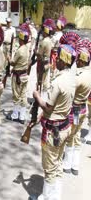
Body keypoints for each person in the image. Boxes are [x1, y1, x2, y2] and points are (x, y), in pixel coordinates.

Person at [33, 38, 76, 200]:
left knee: (49, 167)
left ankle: (46, 197)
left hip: (54, 131)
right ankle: (55, 196)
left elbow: (48, 107)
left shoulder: (58, 82)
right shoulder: (72, 78)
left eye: (58, 58)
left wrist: (37, 96)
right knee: (57, 163)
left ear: (64, 62)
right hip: (65, 126)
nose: (55, 60)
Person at [63, 39, 91, 176]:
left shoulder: (79, 77)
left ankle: (67, 164)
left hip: (75, 109)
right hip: (83, 108)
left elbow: (69, 91)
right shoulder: (89, 73)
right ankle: (75, 165)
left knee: (70, 136)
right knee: (78, 135)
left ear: (81, 60)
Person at [6, 23, 31, 124]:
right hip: (24, 75)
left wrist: (8, 58)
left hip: (18, 77)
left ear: (21, 39)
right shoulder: (27, 49)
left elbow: (13, 62)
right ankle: (22, 116)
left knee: (16, 96)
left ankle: (15, 115)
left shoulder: (20, 50)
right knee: (23, 95)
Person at [36, 18, 56, 97]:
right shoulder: (50, 40)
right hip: (47, 63)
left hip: (41, 64)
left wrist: (35, 52)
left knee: (40, 82)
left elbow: (39, 55)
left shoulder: (44, 42)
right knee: (44, 81)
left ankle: (40, 99)